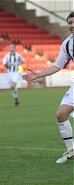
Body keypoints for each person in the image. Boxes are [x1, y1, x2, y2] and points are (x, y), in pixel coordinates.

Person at [22, 11, 74, 164]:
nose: (71, 25)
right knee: (61, 114)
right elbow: (57, 66)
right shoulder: (68, 44)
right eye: (69, 23)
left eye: (73, 22)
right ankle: (71, 150)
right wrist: (38, 75)